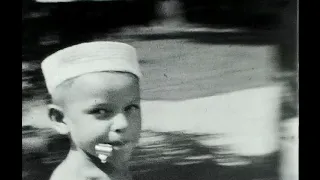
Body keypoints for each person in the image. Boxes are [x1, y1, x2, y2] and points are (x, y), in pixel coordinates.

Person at [41, 41, 142, 180]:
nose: (123, 124)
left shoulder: (108, 166)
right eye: (100, 111)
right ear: (60, 119)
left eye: (131, 108)